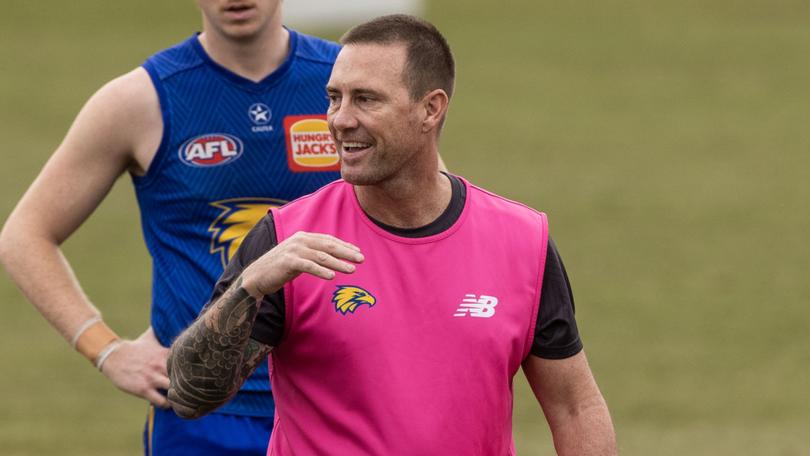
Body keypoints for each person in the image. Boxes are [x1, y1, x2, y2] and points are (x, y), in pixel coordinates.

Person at [167, 14, 617, 455]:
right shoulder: (287, 240)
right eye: (333, 98)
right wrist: (249, 288)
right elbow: (190, 396)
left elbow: (574, 408)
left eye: (365, 99)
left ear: (430, 109)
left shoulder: (522, 240)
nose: (339, 120)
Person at [0, 1, 356, 454]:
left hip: (335, 398)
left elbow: (424, 214)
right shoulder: (142, 99)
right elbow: (24, 235)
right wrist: (106, 349)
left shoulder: (346, 83)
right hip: (201, 413)